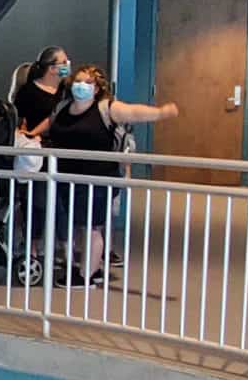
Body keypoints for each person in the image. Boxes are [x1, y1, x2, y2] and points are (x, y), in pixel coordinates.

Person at [40, 65, 179, 283]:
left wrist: (161, 113)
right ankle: (87, 266)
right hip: (68, 179)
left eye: (87, 82)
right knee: (79, 225)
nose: (81, 86)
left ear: (96, 88)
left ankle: (87, 274)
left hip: (98, 178)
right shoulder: (64, 107)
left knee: (91, 227)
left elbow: (134, 112)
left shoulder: (107, 109)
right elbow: (50, 124)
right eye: (78, 81)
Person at [12, 47, 73, 137]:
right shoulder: (28, 92)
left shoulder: (68, 89)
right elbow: (18, 122)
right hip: (38, 142)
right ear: (52, 69)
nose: (68, 65)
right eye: (64, 62)